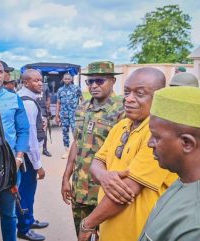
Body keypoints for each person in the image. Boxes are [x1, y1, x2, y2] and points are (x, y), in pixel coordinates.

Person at [78, 67, 178, 241]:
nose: (129, 99)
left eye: (140, 93)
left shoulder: (159, 134)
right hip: (110, 229)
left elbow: (127, 191)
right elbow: (96, 162)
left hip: (139, 232)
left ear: (159, 97)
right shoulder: (121, 125)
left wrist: (88, 223)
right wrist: (105, 176)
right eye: (127, 92)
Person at [61, 61, 124, 235]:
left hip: (104, 192)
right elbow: (76, 142)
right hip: (80, 188)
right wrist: (66, 177)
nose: (93, 85)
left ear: (112, 81)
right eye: (90, 82)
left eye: (99, 81)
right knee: (81, 234)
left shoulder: (123, 110)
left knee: (104, 235)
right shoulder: (82, 108)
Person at [139, 87, 200, 240]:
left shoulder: (194, 225)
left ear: (187, 143)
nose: (149, 143)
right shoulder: (183, 179)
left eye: (156, 137)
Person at [0, 61, 30, 241]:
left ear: (5, 75)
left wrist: (19, 157)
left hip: (9, 166)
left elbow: (23, 130)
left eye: (0, 71)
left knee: (9, 214)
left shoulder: (13, 98)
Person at [16, 69, 48, 241]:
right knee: (26, 192)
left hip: (27, 156)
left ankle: (29, 219)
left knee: (29, 191)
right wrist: (38, 165)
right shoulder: (28, 103)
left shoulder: (26, 98)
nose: (39, 83)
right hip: (27, 157)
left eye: (40, 80)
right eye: (35, 81)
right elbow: (30, 139)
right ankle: (24, 228)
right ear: (26, 83)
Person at [55, 73, 83, 159]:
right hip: (64, 115)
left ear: (71, 79)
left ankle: (77, 151)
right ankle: (67, 151)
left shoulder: (76, 88)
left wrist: (83, 111)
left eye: (68, 78)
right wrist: (57, 116)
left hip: (74, 115)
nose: (67, 80)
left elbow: (82, 99)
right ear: (63, 80)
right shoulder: (60, 90)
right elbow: (58, 103)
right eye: (65, 79)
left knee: (76, 132)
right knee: (65, 133)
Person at [36, 83, 52, 157]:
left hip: (43, 111)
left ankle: (44, 149)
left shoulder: (45, 86)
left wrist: (48, 109)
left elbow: (48, 99)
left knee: (44, 130)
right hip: (33, 109)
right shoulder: (32, 85)